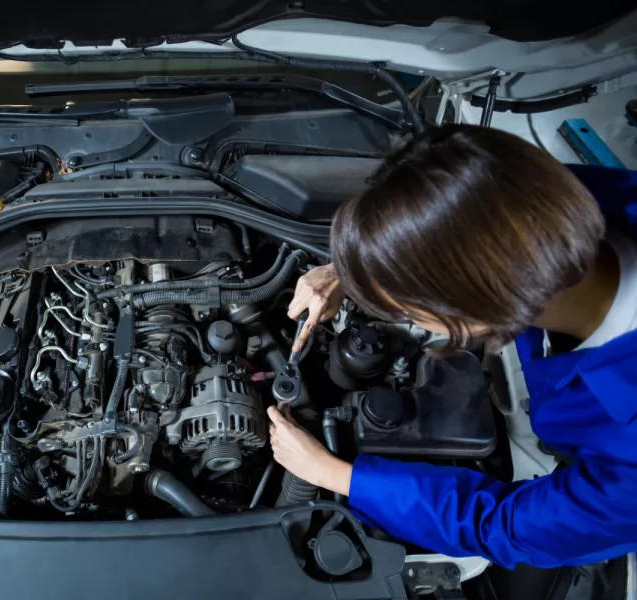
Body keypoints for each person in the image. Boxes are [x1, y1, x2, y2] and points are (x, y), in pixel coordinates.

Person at [267, 124, 637, 569]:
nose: (402, 319)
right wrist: (349, 271)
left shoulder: (628, 453)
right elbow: (457, 223)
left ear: (477, 309)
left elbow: (506, 526)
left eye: (404, 309)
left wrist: (335, 475)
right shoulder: (548, 196)